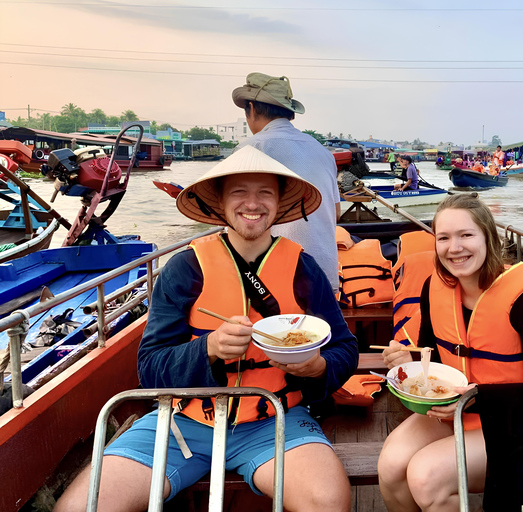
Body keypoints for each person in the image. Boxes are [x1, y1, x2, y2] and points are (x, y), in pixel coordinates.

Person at [54, 147, 358, 512]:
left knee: (328, 502)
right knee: (79, 507)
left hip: (275, 418)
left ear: (279, 203)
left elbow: (344, 348)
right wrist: (209, 348)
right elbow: (149, 368)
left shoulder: (303, 269)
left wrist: (318, 368)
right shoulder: (184, 268)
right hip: (183, 421)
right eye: (239, 192)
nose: (253, 203)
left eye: (265, 192)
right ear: (220, 202)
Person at [377, 194, 523, 511]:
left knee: (425, 478)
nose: (455, 248)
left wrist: (479, 400)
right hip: (456, 409)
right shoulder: (432, 288)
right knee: (391, 466)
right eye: (444, 238)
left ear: (488, 238)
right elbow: (433, 356)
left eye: (466, 235)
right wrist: (408, 358)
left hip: (514, 421)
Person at [232, 72, 341, 294]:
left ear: (251, 108)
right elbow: (336, 213)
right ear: (288, 112)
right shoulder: (324, 152)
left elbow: (236, 222)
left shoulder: (252, 148)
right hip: (325, 277)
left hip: (271, 283)